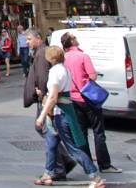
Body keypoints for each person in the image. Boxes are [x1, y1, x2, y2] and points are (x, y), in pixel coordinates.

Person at [34, 45, 104, 188]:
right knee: (52, 144)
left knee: (72, 148)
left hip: (60, 113)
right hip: (64, 110)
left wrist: (41, 116)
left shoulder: (55, 72)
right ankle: (48, 173)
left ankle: (95, 176)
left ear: (51, 58)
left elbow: (53, 96)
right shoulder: (65, 69)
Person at [61, 32, 120, 174]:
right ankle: (104, 165)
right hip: (88, 98)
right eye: (74, 37)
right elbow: (92, 76)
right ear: (72, 42)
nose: (76, 39)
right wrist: (93, 75)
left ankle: (88, 164)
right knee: (98, 132)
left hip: (74, 99)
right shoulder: (83, 56)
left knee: (81, 132)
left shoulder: (63, 58)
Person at [24, 28, 76, 181]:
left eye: (29, 39)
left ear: (38, 38)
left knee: (47, 131)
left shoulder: (41, 54)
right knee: (48, 132)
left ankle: (59, 167)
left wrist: (41, 94)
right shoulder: (40, 53)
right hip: (46, 98)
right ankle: (65, 161)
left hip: (46, 99)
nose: (27, 42)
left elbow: (42, 77)